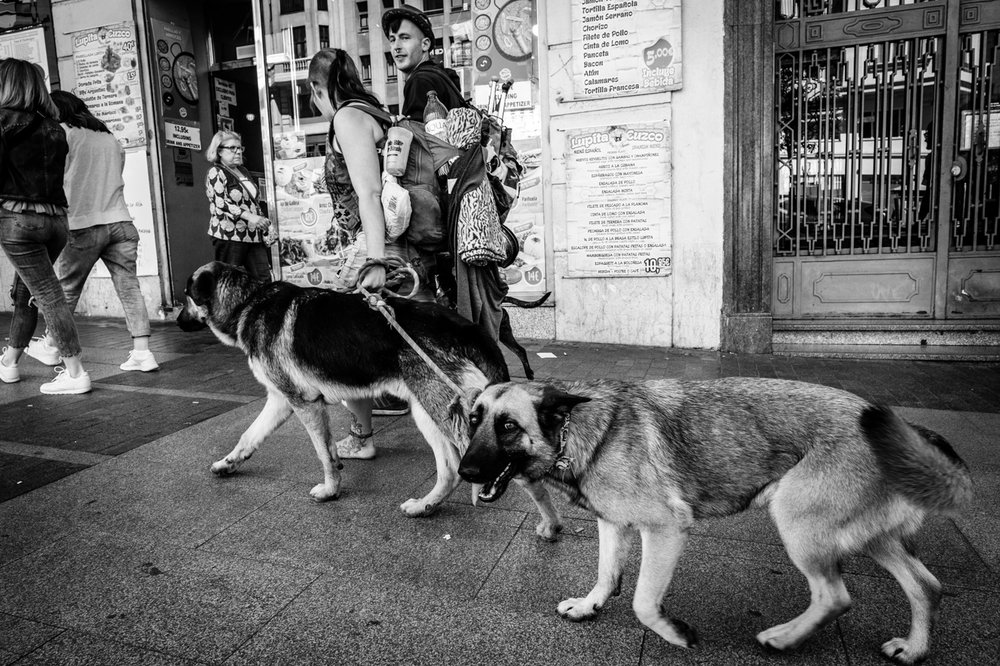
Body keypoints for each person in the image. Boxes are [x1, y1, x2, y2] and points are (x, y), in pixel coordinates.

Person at [308, 48, 438, 457]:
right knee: (414, 343)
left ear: (318, 88)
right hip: (399, 245)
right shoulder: (377, 113)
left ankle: (365, 437)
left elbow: (369, 193)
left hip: (374, 246)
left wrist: (375, 261)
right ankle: (368, 431)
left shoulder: (347, 117)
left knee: (348, 344)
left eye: (313, 94)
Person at [19, 91, 159, 373]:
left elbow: (51, 180)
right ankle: (143, 353)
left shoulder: (62, 134)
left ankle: (53, 346)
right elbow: (116, 174)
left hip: (82, 223)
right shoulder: (109, 138)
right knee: (129, 288)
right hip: (120, 221)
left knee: (66, 291)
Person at [0, 59, 92, 394]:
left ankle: (75, 373)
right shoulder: (55, 128)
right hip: (55, 221)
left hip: (18, 219)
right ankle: (9, 362)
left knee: (48, 295)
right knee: (27, 293)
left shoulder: (3, 119)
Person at [204, 131, 272, 282]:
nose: (238, 152)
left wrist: (263, 222)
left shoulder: (243, 171)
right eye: (232, 148)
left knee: (263, 279)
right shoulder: (216, 172)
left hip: (252, 235)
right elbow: (220, 203)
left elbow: (253, 202)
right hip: (229, 235)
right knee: (229, 281)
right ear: (219, 151)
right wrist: (250, 216)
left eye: (240, 148)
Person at [382, 4, 465, 118]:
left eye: (405, 38)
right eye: (392, 40)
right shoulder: (439, 77)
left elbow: (421, 129)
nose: (396, 46)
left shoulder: (420, 80)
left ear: (425, 44)